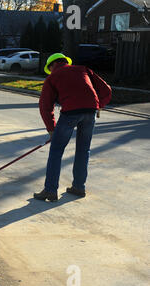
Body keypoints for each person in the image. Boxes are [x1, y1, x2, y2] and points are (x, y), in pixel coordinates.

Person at [34, 53, 112, 202]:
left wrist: (51, 129)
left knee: (56, 150)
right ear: (66, 62)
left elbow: (45, 106)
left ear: (51, 66)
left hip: (70, 112)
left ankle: (50, 190)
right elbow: (106, 90)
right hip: (90, 112)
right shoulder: (83, 70)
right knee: (83, 150)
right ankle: (78, 187)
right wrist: (99, 106)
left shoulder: (52, 77)